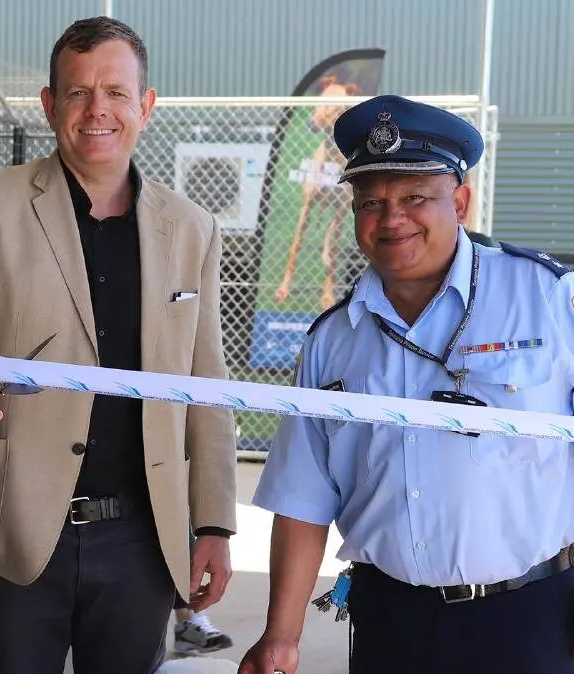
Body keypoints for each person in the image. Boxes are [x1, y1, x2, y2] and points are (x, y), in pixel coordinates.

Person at [0, 16, 238, 674]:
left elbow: (206, 384)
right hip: (15, 526)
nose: (97, 110)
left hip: (142, 539)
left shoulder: (191, 228)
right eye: (77, 92)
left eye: (116, 93)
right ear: (49, 105)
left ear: (145, 107)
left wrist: (212, 525)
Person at [239, 94, 574, 674]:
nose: (392, 219)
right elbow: (303, 497)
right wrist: (281, 636)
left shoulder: (546, 299)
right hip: (390, 623)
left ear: (461, 201)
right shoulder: (331, 340)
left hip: (531, 617)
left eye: (416, 197)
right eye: (372, 202)